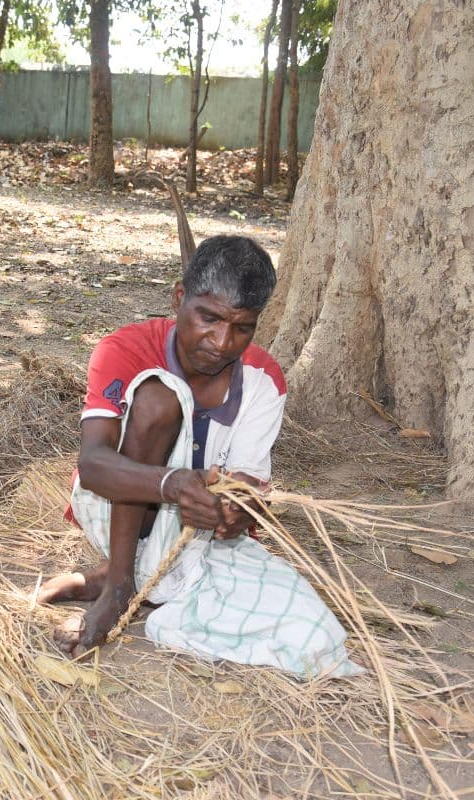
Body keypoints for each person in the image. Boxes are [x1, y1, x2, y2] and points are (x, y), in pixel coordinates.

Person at [37, 235, 360, 678]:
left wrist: (235, 512)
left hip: (195, 539)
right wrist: (171, 483)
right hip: (115, 507)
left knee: (312, 634)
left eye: (242, 327)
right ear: (178, 298)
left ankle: (130, 574)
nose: (222, 341)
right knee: (158, 399)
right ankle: (117, 584)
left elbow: (247, 488)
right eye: (208, 318)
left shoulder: (263, 380)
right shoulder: (125, 350)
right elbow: (93, 467)